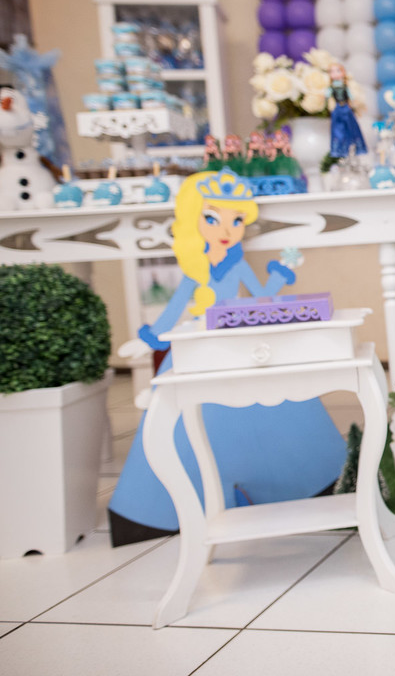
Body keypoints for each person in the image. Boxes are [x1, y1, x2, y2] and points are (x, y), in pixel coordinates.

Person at [107, 169, 346, 545]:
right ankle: (165, 509)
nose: (227, 229)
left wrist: (280, 275)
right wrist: (151, 341)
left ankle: (306, 485)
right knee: (183, 417)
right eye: (214, 218)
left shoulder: (235, 264)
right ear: (194, 219)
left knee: (279, 407)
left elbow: (259, 296)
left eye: (237, 221)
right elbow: (174, 309)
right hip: (203, 347)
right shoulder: (196, 270)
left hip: (236, 345)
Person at [328, 63, 366, 159]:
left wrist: (353, 102)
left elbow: (350, 96)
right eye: (332, 71)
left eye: (338, 71)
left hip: (346, 108)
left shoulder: (345, 86)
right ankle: (340, 150)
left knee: (351, 128)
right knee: (337, 130)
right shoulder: (332, 87)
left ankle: (353, 148)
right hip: (337, 109)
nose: (335, 73)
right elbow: (327, 94)